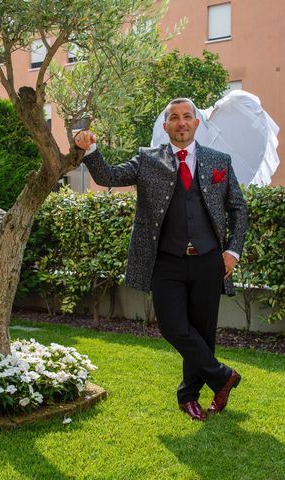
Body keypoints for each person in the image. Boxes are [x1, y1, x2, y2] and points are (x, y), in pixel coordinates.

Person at [74, 98, 248, 421]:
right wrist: (90, 150)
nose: (181, 123)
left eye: (187, 117)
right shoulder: (148, 159)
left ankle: (189, 395)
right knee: (172, 326)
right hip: (166, 262)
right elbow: (109, 177)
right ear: (166, 126)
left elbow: (238, 208)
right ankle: (222, 376)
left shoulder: (218, 160)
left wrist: (232, 251)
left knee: (202, 331)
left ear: (196, 124)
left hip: (210, 261)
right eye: (174, 118)